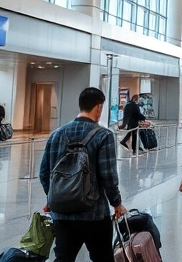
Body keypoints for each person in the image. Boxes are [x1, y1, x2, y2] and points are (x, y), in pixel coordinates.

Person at [40, 87, 126, 262]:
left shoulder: (56, 135)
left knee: (63, 258)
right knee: (102, 258)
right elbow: (108, 176)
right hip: (94, 213)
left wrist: (55, 198)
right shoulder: (104, 136)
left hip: (62, 214)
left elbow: (43, 173)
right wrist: (116, 203)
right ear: (99, 108)